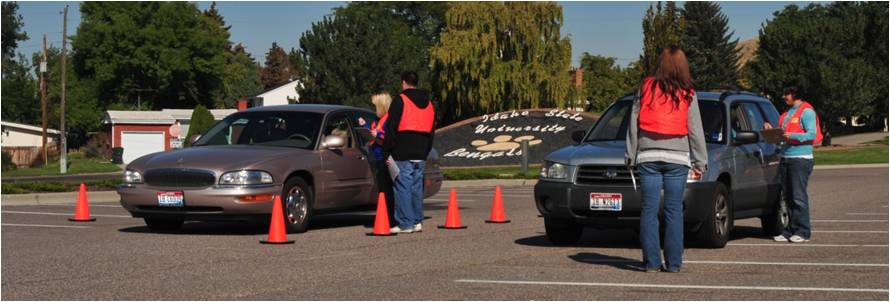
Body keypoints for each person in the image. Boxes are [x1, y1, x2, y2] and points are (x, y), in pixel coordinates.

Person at [625, 46, 707, 273]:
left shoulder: (646, 87)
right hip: (677, 158)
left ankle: (651, 262)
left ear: (661, 63)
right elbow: (695, 128)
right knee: (673, 210)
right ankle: (673, 263)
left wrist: (630, 155)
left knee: (649, 210)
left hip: (647, 155)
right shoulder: (688, 91)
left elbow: (633, 123)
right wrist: (700, 161)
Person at [384, 71, 435, 234]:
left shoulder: (400, 100)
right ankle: (417, 221)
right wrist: (426, 149)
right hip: (421, 150)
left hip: (402, 149)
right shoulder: (429, 103)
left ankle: (406, 223)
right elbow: (432, 130)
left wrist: (387, 149)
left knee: (402, 186)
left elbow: (391, 127)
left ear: (404, 83)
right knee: (415, 187)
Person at [772, 86, 821, 243]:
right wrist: (772, 132)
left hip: (800, 159)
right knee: (788, 197)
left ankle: (803, 231)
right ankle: (790, 230)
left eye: (786, 94)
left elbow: (812, 134)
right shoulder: (786, 114)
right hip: (785, 157)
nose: (784, 96)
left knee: (798, 197)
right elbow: (781, 136)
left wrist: (791, 135)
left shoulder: (807, 112)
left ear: (795, 94)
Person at [368, 92, 396, 226]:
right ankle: (385, 217)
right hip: (378, 156)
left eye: (376, 106)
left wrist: (378, 134)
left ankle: (390, 219)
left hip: (385, 157)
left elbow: (390, 137)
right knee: (382, 190)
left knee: (387, 190)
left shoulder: (389, 119)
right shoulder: (377, 120)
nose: (374, 109)